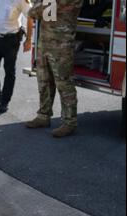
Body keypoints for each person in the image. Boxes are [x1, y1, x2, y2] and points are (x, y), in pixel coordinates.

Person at [25, 0, 84, 137]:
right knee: (44, 81)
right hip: (45, 43)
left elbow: (35, 11)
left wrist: (36, 4)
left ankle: (69, 123)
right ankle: (43, 116)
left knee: (64, 84)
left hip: (61, 47)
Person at [0, 0, 33, 113]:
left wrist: (28, 40)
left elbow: (30, 17)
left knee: (9, 71)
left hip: (11, 39)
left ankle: (5, 101)